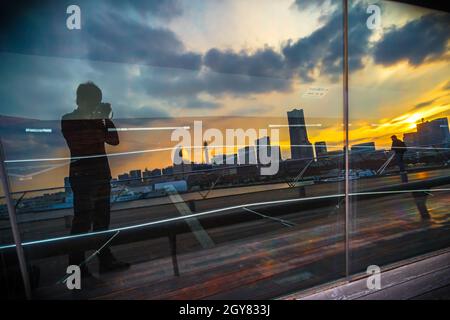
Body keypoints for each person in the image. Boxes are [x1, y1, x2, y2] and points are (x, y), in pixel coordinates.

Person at [61, 82, 129, 276]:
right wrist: (99, 120)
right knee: (82, 222)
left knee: (102, 221)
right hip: (82, 176)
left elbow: (114, 140)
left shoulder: (98, 119)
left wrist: (105, 120)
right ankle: (77, 268)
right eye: (93, 102)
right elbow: (85, 140)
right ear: (81, 100)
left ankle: (104, 261)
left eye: (97, 102)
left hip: (99, 175)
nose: (95, 105)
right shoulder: (69, 119)